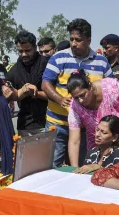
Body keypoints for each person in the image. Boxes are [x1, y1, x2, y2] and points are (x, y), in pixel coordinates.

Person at [42, 18, 113, 167]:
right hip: (58, 123)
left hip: (86, 128)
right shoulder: (58, 57)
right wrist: (60, 99)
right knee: (51, 166)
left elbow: (110, 89)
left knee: (83, 166)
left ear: (88, 40)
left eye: (78, 40)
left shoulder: (101, 62)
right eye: (71, 39)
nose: (73, 43)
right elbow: (45, 83)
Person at [67, 69, 119, 166]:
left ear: (90, 86)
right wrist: (74, 169)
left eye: (82, 95)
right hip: (95, 147)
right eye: (76, 97)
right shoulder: (75, 106)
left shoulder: (112, 89)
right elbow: (74, 141)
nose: (80, 100)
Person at [6, 31, 48, 135]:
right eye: (20, 51)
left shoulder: (47, 64)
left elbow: (58, 93)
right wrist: (22, 91)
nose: (24, 54)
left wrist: (36, 93)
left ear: (35, 48)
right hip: (25, 126)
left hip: (48, 122)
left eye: (27, 50)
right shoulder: (13, 71)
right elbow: (10, 95)